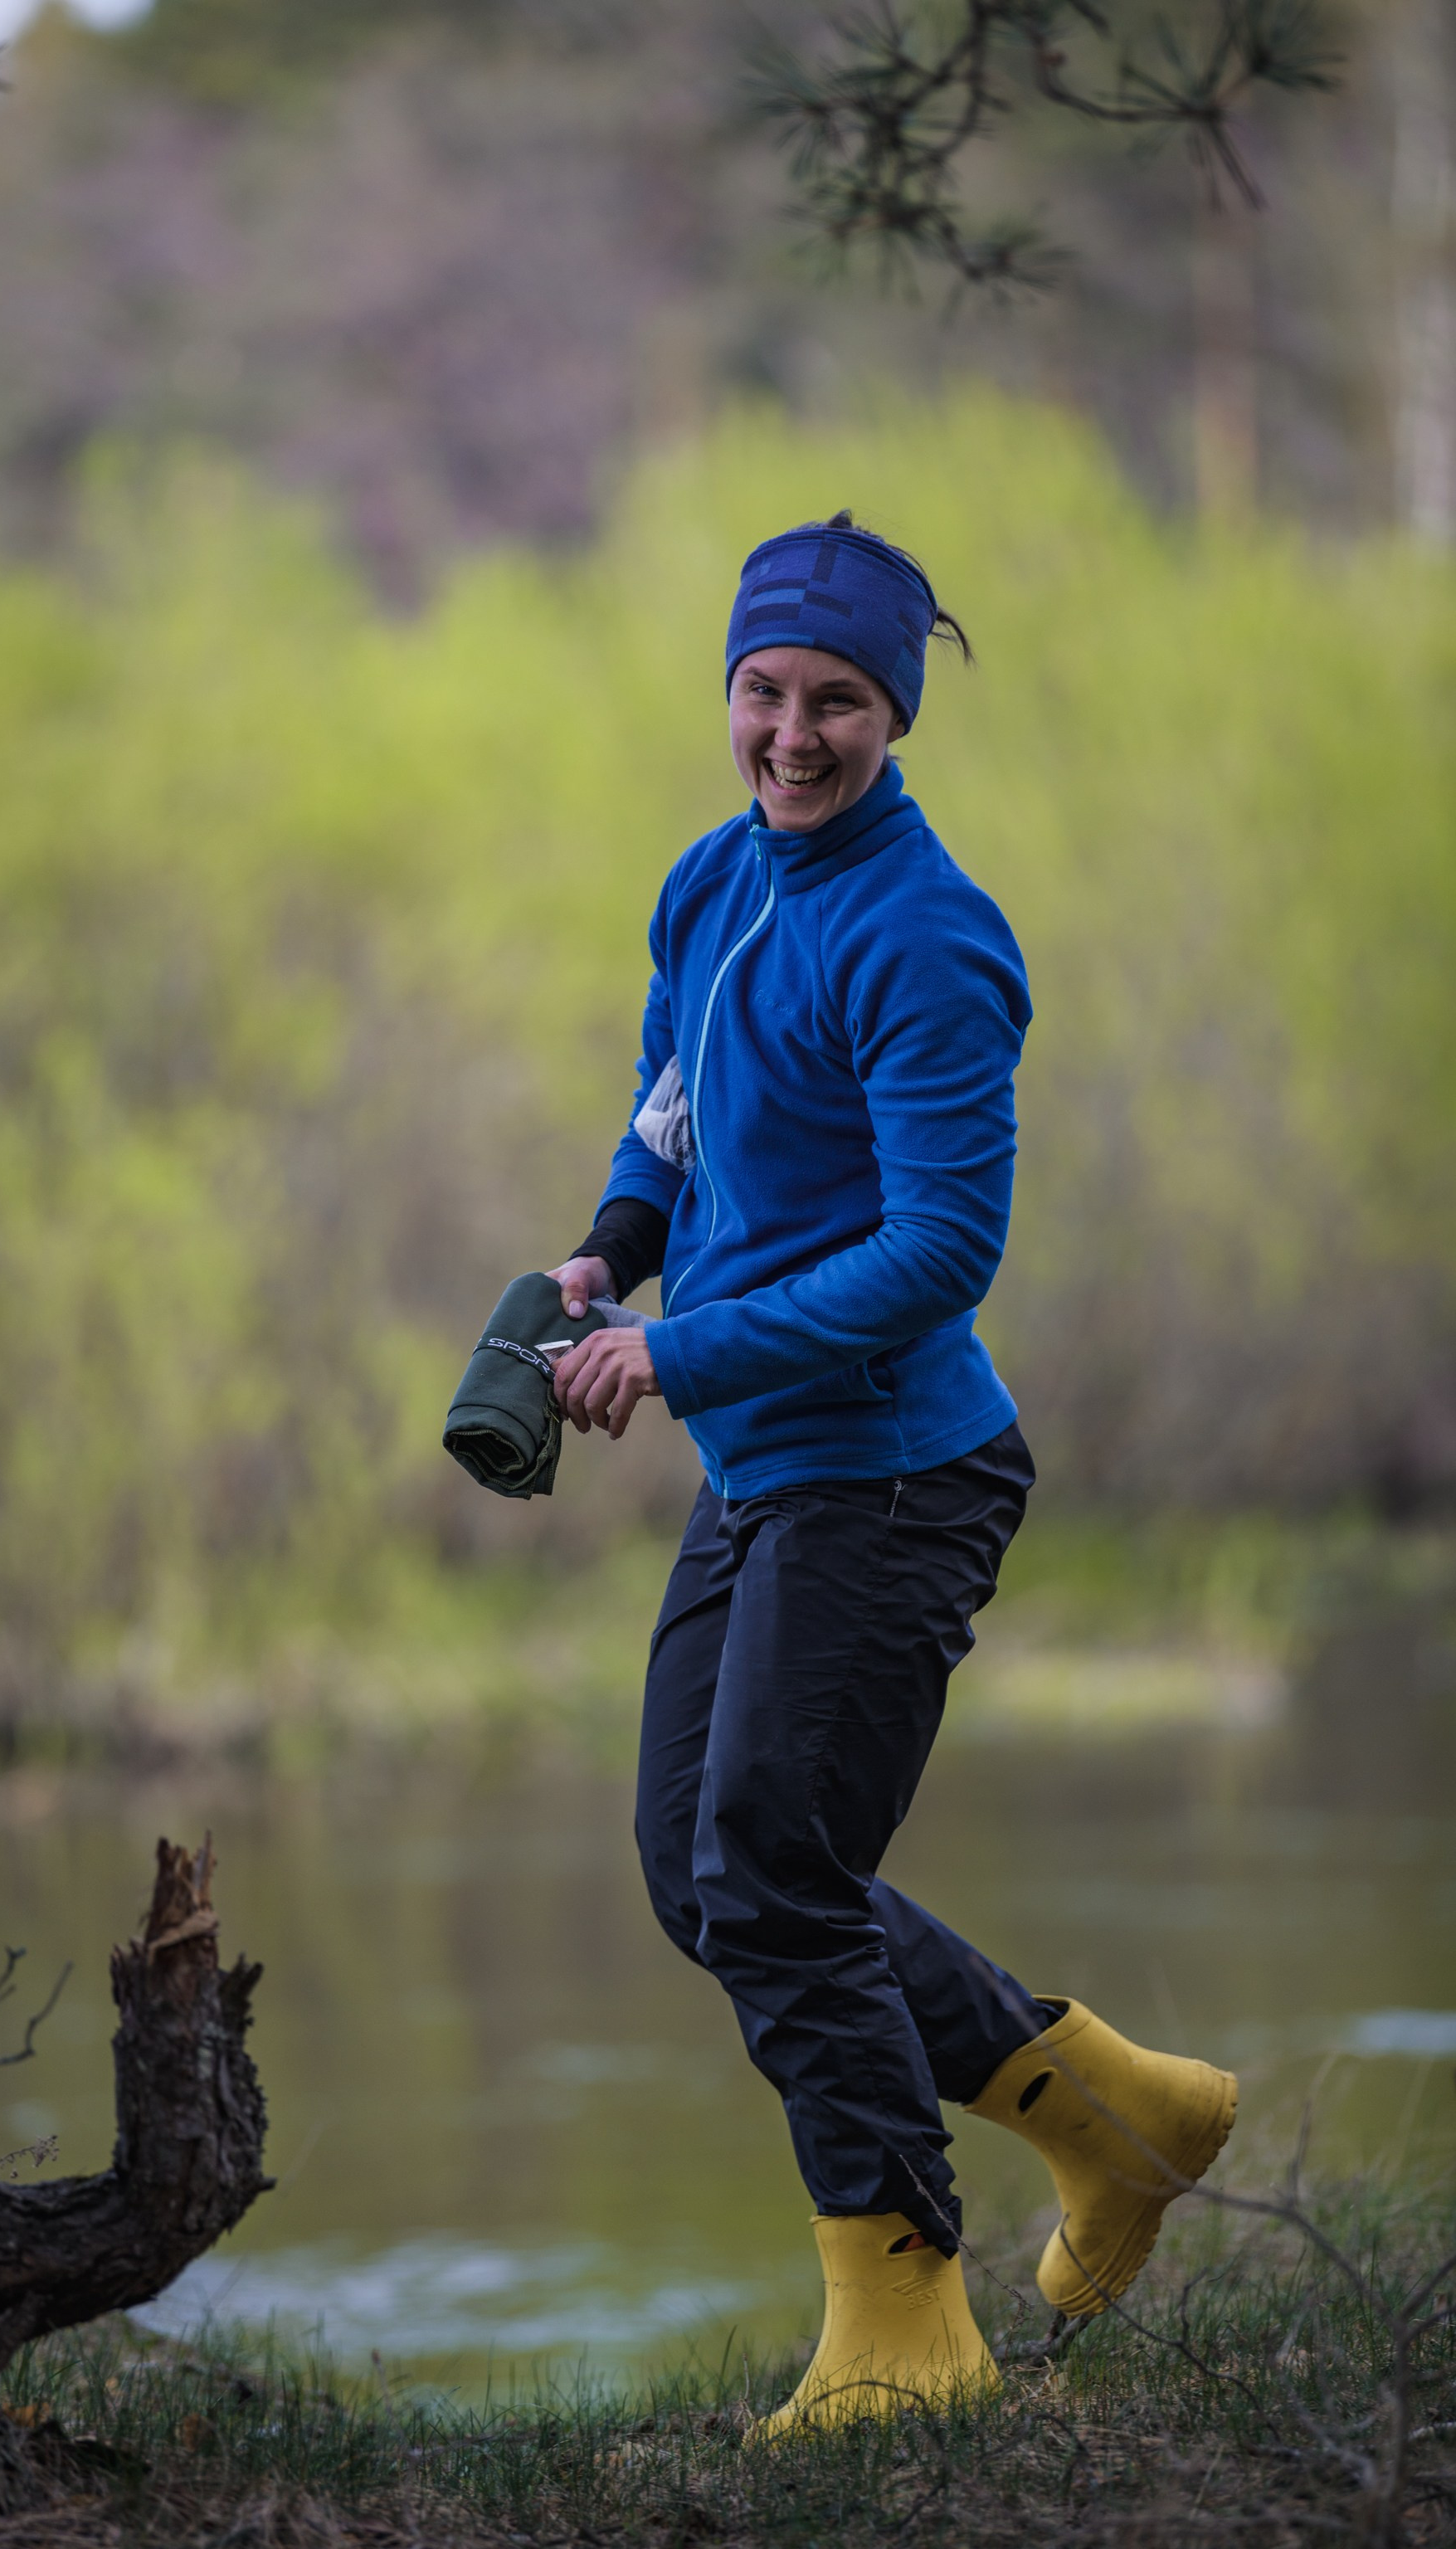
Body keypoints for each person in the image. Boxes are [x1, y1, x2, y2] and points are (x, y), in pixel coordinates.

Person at [543, 512, 1236, 2431]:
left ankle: (906, 2330)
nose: (791, 734)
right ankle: (1121, 2118)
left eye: (835, 701)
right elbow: (669, 1110)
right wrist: (609, 1253)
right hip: (769, 1463)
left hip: (901, 1474)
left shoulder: (927, 936)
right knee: (706, 1876)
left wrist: (673, 1352)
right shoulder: (711, 881)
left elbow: (940, 1250)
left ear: (895, 716)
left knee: (772, 1867)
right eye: (763, 692)